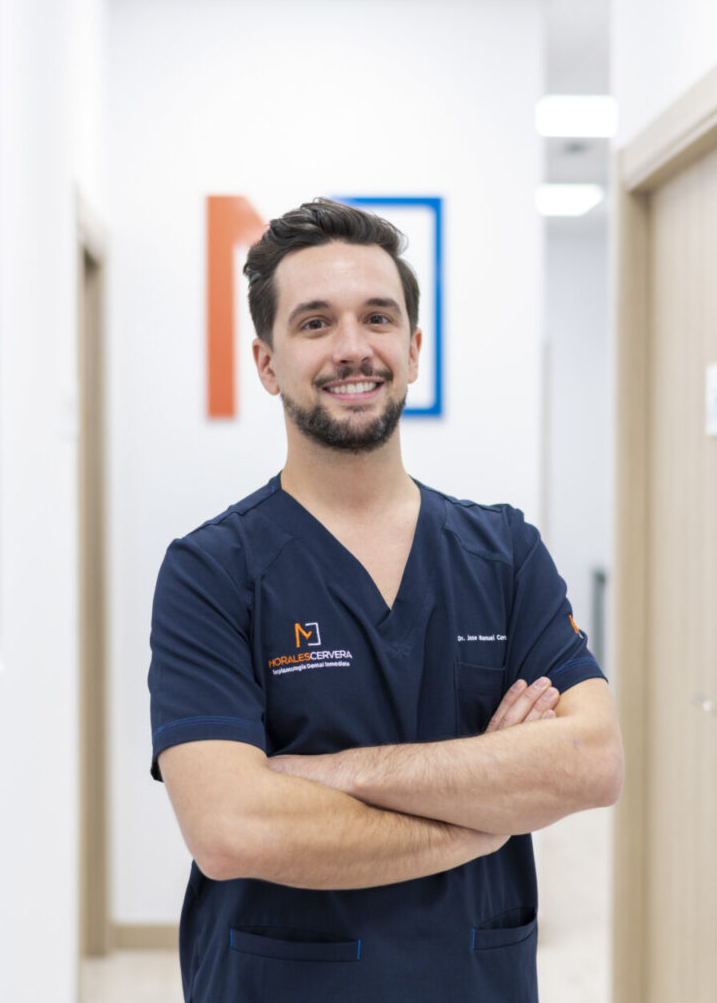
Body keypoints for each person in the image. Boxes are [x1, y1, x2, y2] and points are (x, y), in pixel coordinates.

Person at [148, 198, 624, 1002]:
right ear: (267, 363)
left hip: (475, 980)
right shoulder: (212, 570)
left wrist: (323, 776)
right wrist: (490, 814)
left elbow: (590, 762)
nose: (352, 348)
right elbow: (232, 829)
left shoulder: (505, 554)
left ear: (413, 348)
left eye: (376, 317)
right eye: (314, 323)